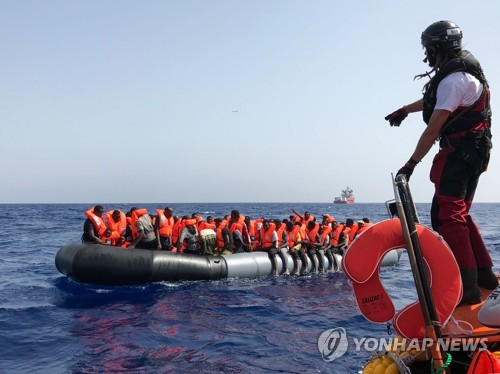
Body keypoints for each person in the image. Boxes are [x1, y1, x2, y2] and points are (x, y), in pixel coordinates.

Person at [385, 20, 497, 304]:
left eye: (428, 48)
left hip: (459, 155)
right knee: (460, 212)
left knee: (448, 216)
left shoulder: (452, 80)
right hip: (476, 152)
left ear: (438, 47)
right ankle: (484, 275)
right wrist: (405, 110)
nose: (427, 54)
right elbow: (435, 100)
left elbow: (433, 128)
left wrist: (410, 165)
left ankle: (466, 287)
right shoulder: (464, 75)